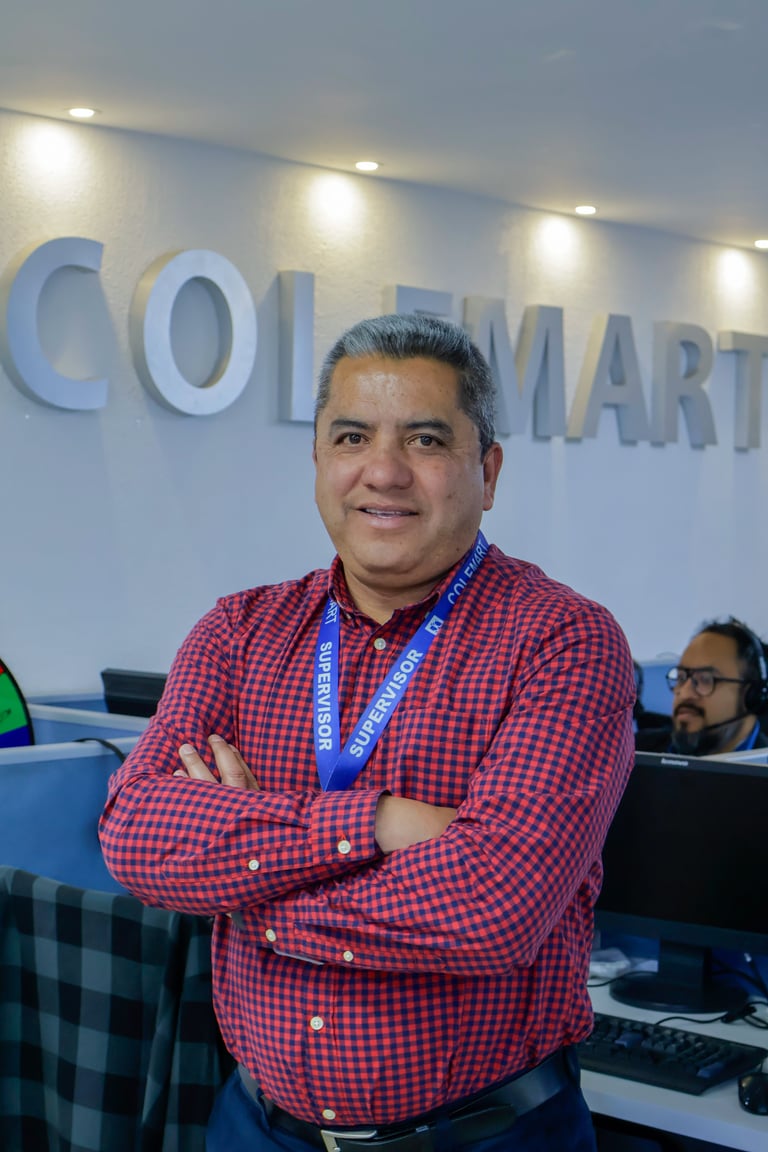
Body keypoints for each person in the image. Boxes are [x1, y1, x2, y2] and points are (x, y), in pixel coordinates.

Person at [99, 314, 635, 1152]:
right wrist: (379, 823)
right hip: (256, 1130)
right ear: (319, 461)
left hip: (487, 1137)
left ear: (486, 472)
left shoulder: (563, 641)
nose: (383, 472)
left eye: (425, 439)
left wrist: (246, 889)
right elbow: (133, 837)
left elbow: (492, 910)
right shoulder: (239, 631)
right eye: (352, 436)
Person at [636, 618, 768, 756]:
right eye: (681, 678)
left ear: (753, 696)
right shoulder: (635, 752)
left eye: (705, 680)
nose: (684, 693)